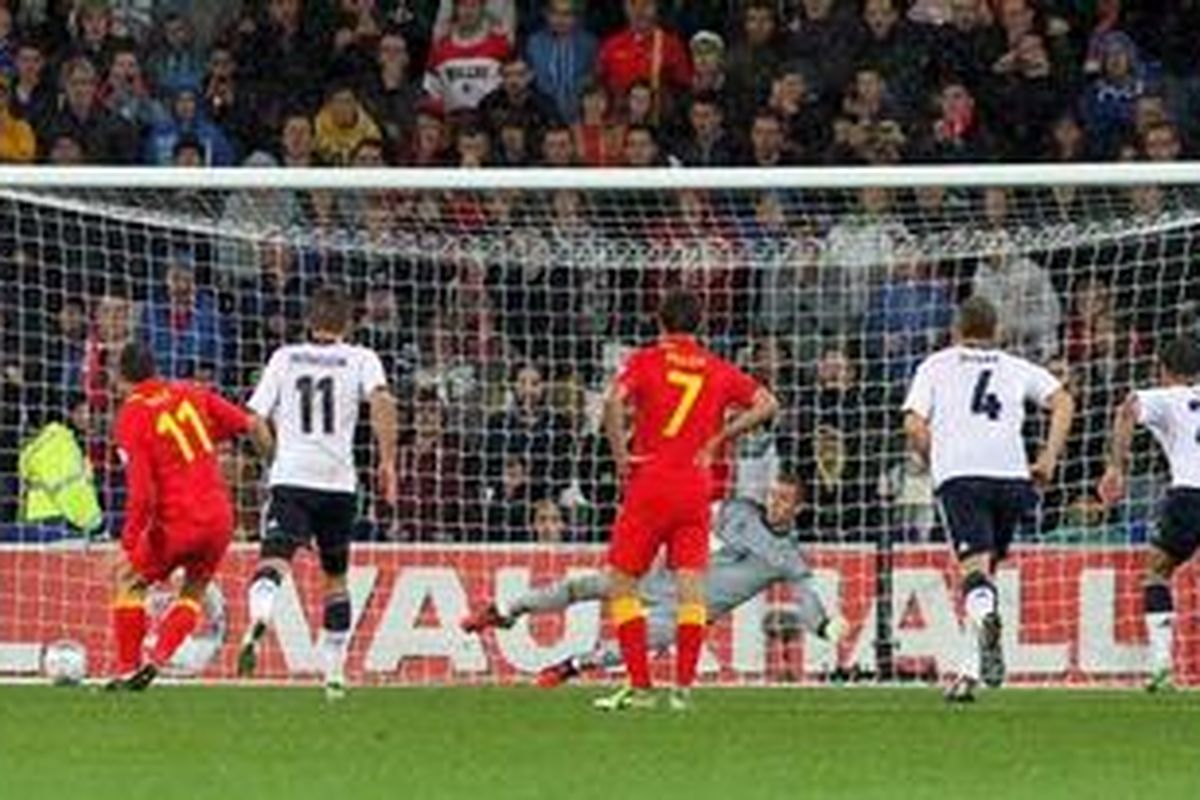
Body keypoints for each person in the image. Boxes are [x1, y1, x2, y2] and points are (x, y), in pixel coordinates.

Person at [462, 475, 847, 685]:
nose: (776, 503)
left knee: (635, 642)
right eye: (774, 495)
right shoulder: (736, 509)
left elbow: (806, 597)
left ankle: (570, 667)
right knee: (582, 587)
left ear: (799, 508)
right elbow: (693, 516)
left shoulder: (788, 558)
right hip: (658, 576)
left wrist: (826, 627)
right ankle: (503, 611)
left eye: (785, 500)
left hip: (689, 610)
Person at [595, 289, 778, 711]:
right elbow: (768, 403)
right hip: (696, 488)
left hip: (651, 482)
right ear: (699, 325)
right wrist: (720, 436)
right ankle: (683, 689)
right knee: (691, 588)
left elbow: (612, 400)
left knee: (623, 582)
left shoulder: (646, 361)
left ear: (660, 321)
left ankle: (641, 687)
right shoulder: (717, 368)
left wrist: (621, 456)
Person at [903, 296, 1074, 703]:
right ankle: (969, 672)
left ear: (956, 331)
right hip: (1013, 481)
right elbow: (1063, 400)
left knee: (973, 574)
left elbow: (913, 424)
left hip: (963, 478)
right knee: (984, 574)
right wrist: (1048, 457)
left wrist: (934, 454)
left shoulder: (936, 364)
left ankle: (984, 626)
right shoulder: (1016, 367)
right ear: (997, 332)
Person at [237, 286, 399, 701]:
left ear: (310, 321)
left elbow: (254, 420)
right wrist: (388, 461)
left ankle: (261, 615)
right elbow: (382, 402)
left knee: (274, 561)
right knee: (336, 579)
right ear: (348, 323)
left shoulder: (284, 357)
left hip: (292, 478)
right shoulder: (362, 358)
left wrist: (274, 460)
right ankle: (333, 673)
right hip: (337, 482)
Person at [106, 342, 271, 691]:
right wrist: (275, 467)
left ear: (119, 376)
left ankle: (127, 669)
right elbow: (250, 424)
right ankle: (160, 658)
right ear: (154, 366)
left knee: (128, 582)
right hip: (219, 519)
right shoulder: (191, 392)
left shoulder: (132, 415)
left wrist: (128, 542)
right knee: (193, 591)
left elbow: (143, 494)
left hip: (175, 521)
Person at [1098, 339, 1200, 692]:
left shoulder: (1167, 397)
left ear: (1164, 371)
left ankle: (1160, 665)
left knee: (1156, 572)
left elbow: (1128, 408)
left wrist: (1115, 468)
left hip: (1190, 494)